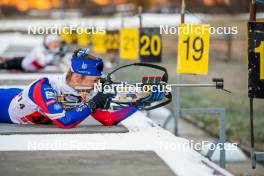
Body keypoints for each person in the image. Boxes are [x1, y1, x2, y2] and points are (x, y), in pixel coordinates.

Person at [0, 48, 164, 128]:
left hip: (18, 98)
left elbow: (107, 120)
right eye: (94, 80)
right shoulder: (44, 87)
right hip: (5, 104)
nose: (97, 84)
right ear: (78, 76)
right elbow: (65, 122)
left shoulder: (82, 89)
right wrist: (93, 103)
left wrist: (139, 104)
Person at [0, 34, 69, 72]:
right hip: (21, 63)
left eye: (58, 42)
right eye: (55, 42)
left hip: (26, 65)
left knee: (8, 61)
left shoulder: (53, 51)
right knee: (3, 66)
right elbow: (43, 61)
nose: (57, 45)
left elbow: (57, 62)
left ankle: (6, 59)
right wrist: (55, 55)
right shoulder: (39, 49)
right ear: (48, 43)